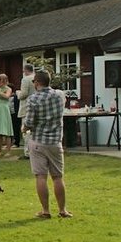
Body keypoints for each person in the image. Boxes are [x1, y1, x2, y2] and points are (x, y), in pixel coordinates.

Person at [22, 71, 72, 219]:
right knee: (57, 177)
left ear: (37, 82)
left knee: (41, 177)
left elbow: (29, 122)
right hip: (55, 142)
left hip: (38, 141)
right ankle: (62, 210)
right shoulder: (59, 95)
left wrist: (23, 128)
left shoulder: (33, 99)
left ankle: (46, 210)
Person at [17, 63, 36, 158]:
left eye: (24, 70)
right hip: (37, 107)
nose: (23, 72)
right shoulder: (37, 77)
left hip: (27, 107)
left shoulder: (25, 79)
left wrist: (18, 93)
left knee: (26, 131)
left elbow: (23, 94)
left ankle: (27, 152)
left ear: (26, 70)